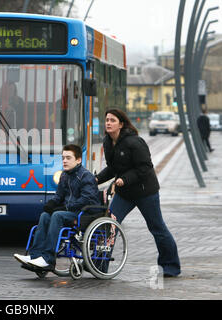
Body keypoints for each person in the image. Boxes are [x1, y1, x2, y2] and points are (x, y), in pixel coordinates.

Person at [95, 108, 181, 278]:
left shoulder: (134, 142)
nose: (108, 123)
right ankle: (99, 265)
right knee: (109, 226)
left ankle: (171, 266)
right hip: (124, 194)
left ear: (121, 124)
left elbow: (145, 167)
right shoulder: (107, 141)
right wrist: (96, 179)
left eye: (112, 120)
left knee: (157, 228)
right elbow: (113, 168)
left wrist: (125, 179)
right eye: (107, 120)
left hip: (145, 192)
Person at [13, 144, 100, 269]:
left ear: (78, 160)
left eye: (68, 158)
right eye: (63, 158)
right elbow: (59, 196)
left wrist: (65, 208)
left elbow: (86, 200)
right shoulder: (64, 175)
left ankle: (48, 259)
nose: (64, 161)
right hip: (69, 211)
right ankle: (34, 256)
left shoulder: (86, 176)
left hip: (83, 213)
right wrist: (51, 203)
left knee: (57, 215)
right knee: (45, 215)